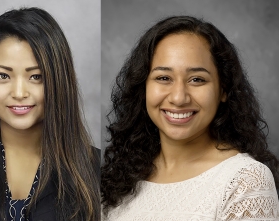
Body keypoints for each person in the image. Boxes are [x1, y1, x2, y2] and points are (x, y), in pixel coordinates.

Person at [101, 16, 279, 220]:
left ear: (223, 89)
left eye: (197, 79)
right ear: (144, 87)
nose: (178, 98)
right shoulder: (119, 178)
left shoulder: (246, 181)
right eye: (163, 78)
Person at [0, 7, 100, 221]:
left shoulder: (98, 170)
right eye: (3, 75)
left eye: (36, 77)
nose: (19, 93)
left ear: (59, 81)